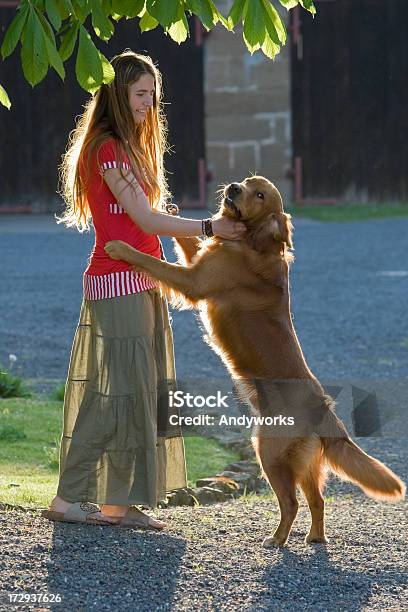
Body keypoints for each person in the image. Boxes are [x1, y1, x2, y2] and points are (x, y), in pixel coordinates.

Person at [42, 50, 245, 529]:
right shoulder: (108, 149)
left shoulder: (130, 147)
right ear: (117, 94)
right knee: (117, 395)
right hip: (116, 283)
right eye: (140, 94)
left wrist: (199, 249)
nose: (149, 103)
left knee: (137, 393)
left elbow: (155, 219)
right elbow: (143, 218)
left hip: (141, 279)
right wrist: (210, 226)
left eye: (153, 95)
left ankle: (117, 502)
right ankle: (69, 499)